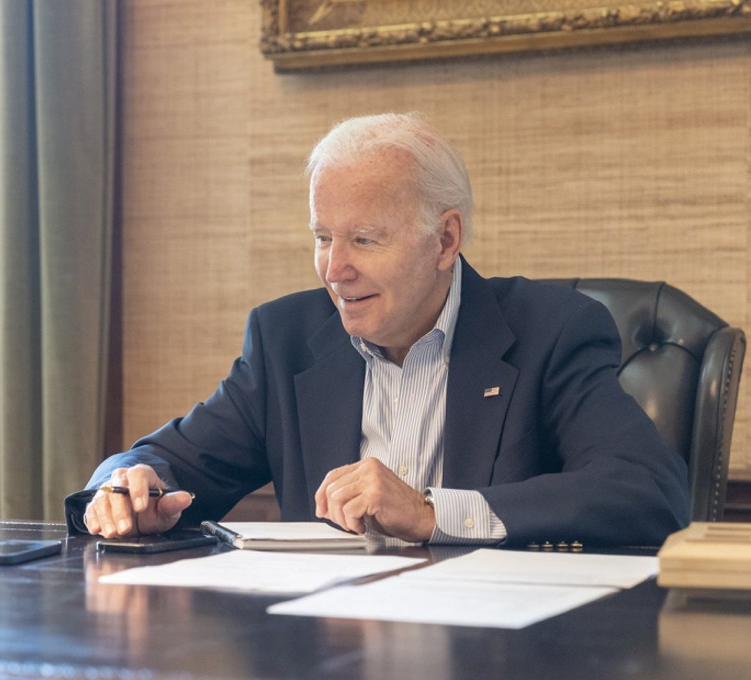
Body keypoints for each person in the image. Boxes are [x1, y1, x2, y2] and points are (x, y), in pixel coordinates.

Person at [65, 112, 689, 547]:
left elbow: (646, 492)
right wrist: (126, 489)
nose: (335, 270)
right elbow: (163, 459)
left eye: (364, 239)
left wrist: (428, 513)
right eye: (322, 237)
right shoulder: (286, 339)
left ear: (445, 240)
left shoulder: (551, 331)